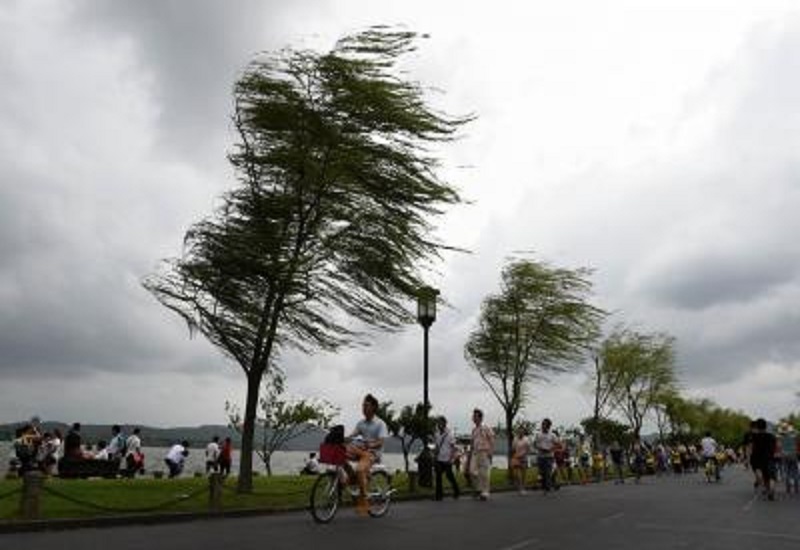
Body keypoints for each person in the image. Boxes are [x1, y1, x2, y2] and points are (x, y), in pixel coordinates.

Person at [345, 394, 388, 515]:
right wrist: (344, 438)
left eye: (366, 406)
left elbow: (381, 442)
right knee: (341, 455)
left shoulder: (380, 424)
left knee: (359, 470)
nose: (363, 408)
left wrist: (370, 445)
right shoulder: (361, 423)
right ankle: (353, 478)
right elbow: (352, 435)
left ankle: (363, 501)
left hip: (373, 453)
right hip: (361, 451)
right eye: (362, 406)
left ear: (373, 407)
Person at [469, 408, 494, 501]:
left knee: (484, 473)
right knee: (472, 471)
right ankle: (478, 489)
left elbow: (491, 440)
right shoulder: (474, 430)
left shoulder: (486, 428)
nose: (473, 418)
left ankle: (485, 492)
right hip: (475, 452)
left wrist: (490, 453)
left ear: (480, 418)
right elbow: (472, 442)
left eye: (475, 416)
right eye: (473, 416)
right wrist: (470, 453)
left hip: (484, 451)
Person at [433, 416, 460, 500]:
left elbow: (453, 447)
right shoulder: (437, 434)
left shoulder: (449, 435)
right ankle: (439, 495)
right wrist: (435, 455)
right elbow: (437, 446)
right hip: (439, 459)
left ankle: (456, 491)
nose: (439, 425)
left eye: (440, 423)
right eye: (438, 423)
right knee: (438, 476)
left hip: (447, 459)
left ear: (444, 424)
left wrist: (451, 459)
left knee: (449, 476)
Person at [750, 418, 777, 500]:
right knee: (772, 476)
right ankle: (771, 489)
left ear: (757, 427)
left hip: (757, 458)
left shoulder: (754, 437)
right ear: (766, 427)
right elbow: (775, 447)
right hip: (769, 458)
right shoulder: (772, 436)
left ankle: (766, 488)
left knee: (764, 476)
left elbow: (751, 447)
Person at [533, 418, 558, 492]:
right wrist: (538, 448)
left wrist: (550, 449)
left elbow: (558, 444)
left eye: (545, 424)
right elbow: (534, 444)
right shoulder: (538, 434)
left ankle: (547, 486)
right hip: (540, 456)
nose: (543, 426)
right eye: (542, 424)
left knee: (548, 471)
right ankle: (545, 484)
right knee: (541, 472)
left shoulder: (552, 435)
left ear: (549, 426)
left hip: (549, 456)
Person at [510, 425, 530, 494]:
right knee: (517, 474)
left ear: (524, 432)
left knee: (523, 474)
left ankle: (523, 488)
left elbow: (528, 449)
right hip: (516, 457)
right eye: (519, 430)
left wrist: (523, 454)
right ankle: (520, 487)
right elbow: (513, 448)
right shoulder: (515, 439)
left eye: (522, 431)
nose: (520, 432)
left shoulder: (526, 439)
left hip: (524, 457)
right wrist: (513, 456)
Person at [779, 423, 798, 494]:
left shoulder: (782, 437)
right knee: (795, 471)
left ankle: (788, 488)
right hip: (793, 455)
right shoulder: (794, 437)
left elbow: (780, 447)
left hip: (785, 456)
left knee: (786, 471)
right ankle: (796, 488)